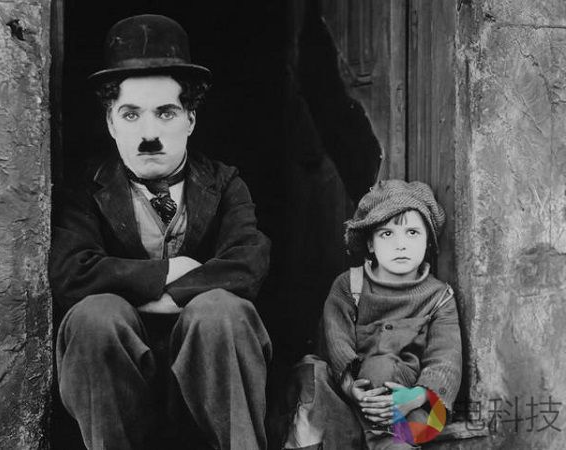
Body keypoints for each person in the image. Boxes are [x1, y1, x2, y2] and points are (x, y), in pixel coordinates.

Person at [49, 14, 272, 450]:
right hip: (119, 388)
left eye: (166, 113)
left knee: (222, 311)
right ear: (110, 123)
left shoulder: (225, 182)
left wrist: (162, 298)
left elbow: (247, 265)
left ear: (190, 119)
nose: (149, 134)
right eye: (131, 115)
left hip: (211, 378)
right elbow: (71, 273)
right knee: (94, 316)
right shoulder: (85, 188)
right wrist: (170, 271)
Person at [282, 180, 462, 449]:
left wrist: (415, 396)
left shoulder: (439, 297)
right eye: (387, 234)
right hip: (349, 397)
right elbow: (336, 342)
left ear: (428, 241)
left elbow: (445, 358)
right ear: (370, 244)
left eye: (412, 233)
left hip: (404, 406)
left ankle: (387, 442)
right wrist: (350, 388)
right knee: (312, 371)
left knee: (382, 366)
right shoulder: (349, 285)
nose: (401, 244)